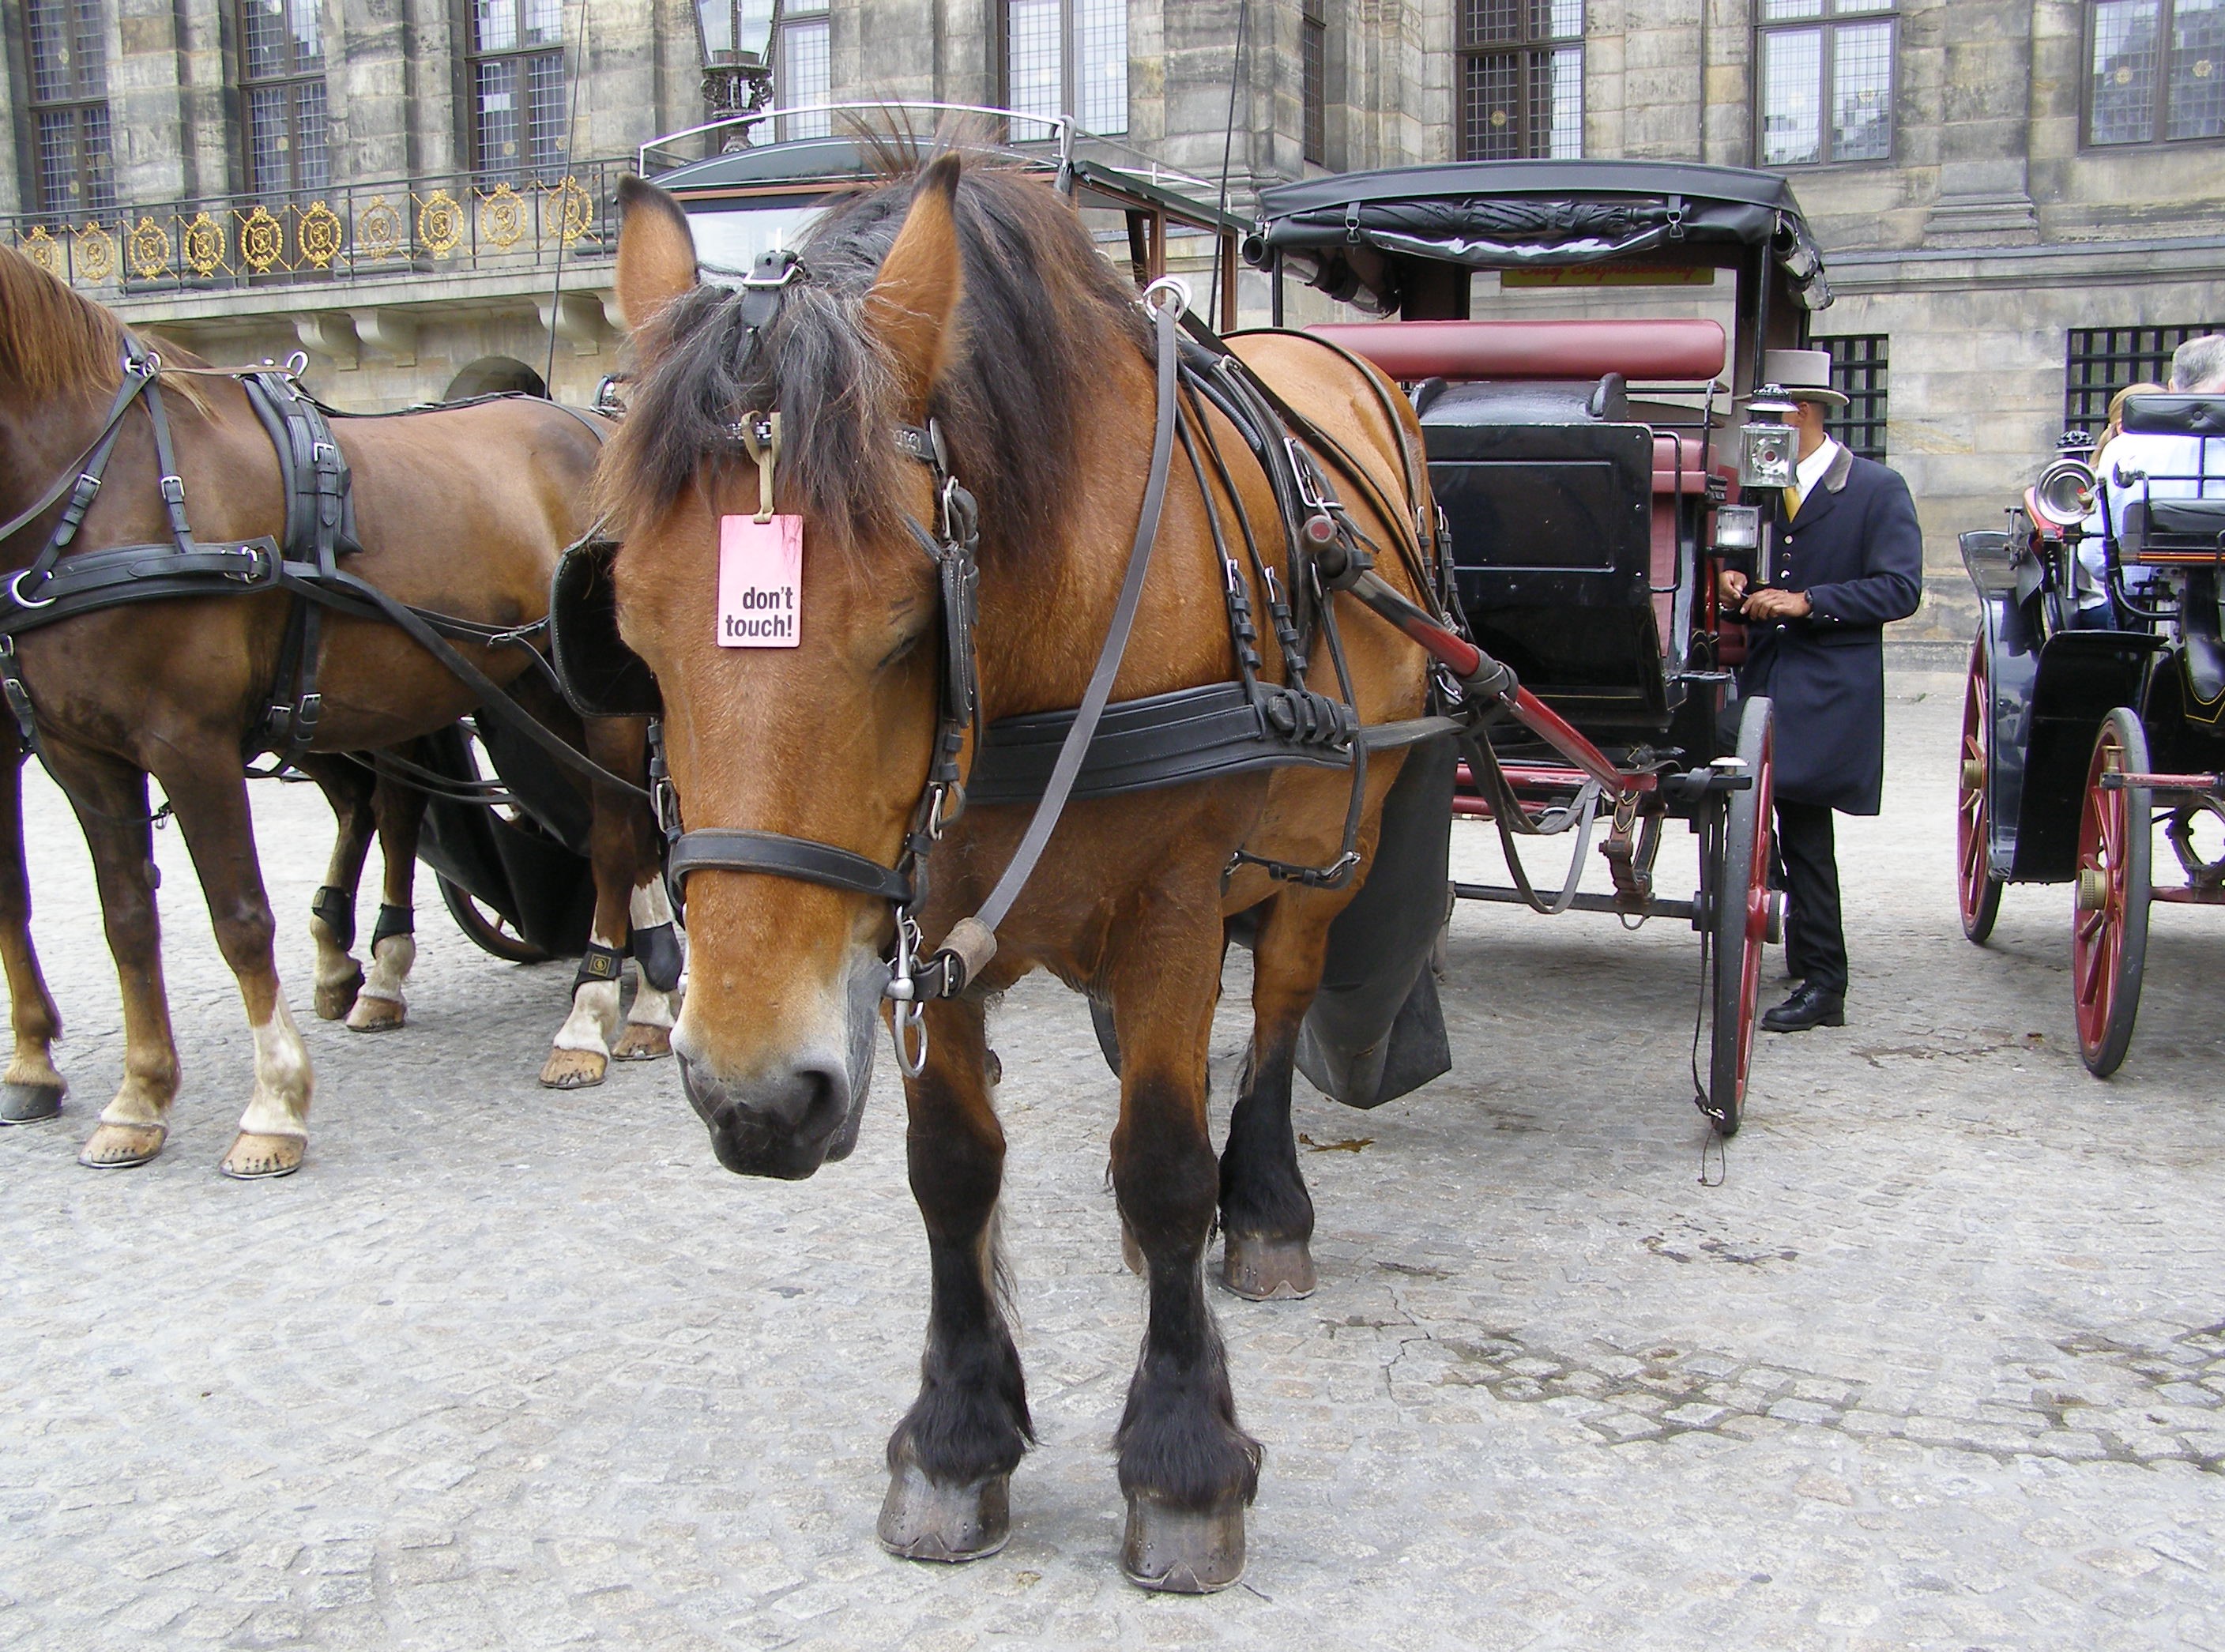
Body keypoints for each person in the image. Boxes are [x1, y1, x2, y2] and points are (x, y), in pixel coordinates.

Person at [1718, 348, 1923, 1033]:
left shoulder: (1875, 488)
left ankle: (1825, 982)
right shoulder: (1762, 488)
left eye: (1768, 420)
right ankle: (1797, 939)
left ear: (1800, 415)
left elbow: (1901, 588)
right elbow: (1745, 569)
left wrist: (1808, 601)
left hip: (1831, 682)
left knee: (1804, 824)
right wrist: (1735, 586)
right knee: (1761, 814)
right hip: (1769, 678)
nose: (1756, 435)